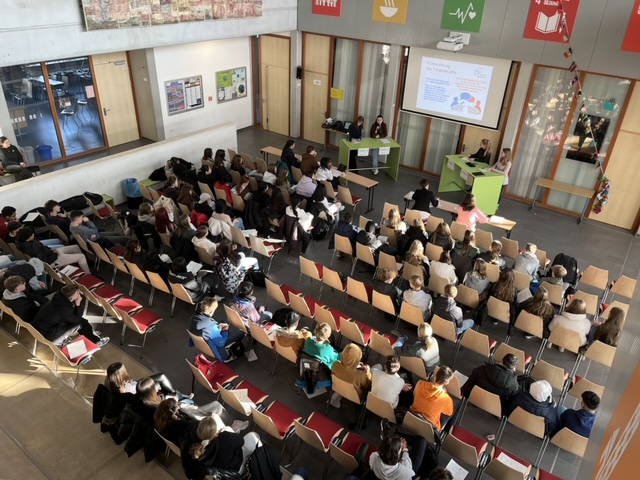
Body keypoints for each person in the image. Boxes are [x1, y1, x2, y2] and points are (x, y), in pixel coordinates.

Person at [180, 416, 261, 479]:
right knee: (253, 435)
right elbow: (241, 441)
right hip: (238, 469)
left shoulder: (193, 446)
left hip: (222, 475)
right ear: (215, 429)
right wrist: (226, 431)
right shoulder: (225, 437)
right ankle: (261, 461)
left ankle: (233, 429)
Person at [31, 284, 109, 346]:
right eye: (77, 293)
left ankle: (90, 334)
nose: (79, 294)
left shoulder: (58, 297)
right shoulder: (65, 308)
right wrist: (78, 304)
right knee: (82, 322)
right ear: (71, 297)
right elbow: (77, 319)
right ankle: (97, 341)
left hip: (37, 327)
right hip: (47, 334)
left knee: (78, 322)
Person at [190, 297, 245, 362]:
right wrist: (225, 331)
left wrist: (218, 327)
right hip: (217, 351)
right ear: (211, 311)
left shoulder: (194, 317)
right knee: (241, 333)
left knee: (221, 321)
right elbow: (221, 343)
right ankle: (230, 354)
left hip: (203, 341)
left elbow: (207, 330)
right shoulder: (212, 327)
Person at [332, 343, 372, 428]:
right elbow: (368, 385)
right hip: (357, 396)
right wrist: (368, 372)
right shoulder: (360, 375)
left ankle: (351, 420)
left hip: (339, 389)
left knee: (347, 400)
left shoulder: (335, 365)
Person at [16, 227, 91, 273]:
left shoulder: (27, 242)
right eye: (32, 235)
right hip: (53, 261)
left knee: (75, 247)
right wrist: (56, 253)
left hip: (52, 254)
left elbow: (43, 249)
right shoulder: (31, 248)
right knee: (81, 256)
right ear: (27, 238)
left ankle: (83, 265)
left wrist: (52, 250)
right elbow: (44, 259)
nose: (33, 235)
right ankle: (88, 274)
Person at [410, 365, 455, 432]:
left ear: (435, 375)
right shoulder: (446, 399)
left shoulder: (420, 383)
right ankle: (447, 432)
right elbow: (449, 413)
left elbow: (414, 394)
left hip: (412, 417)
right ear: (446, 382)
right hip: (430, 428)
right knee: (456, 404)